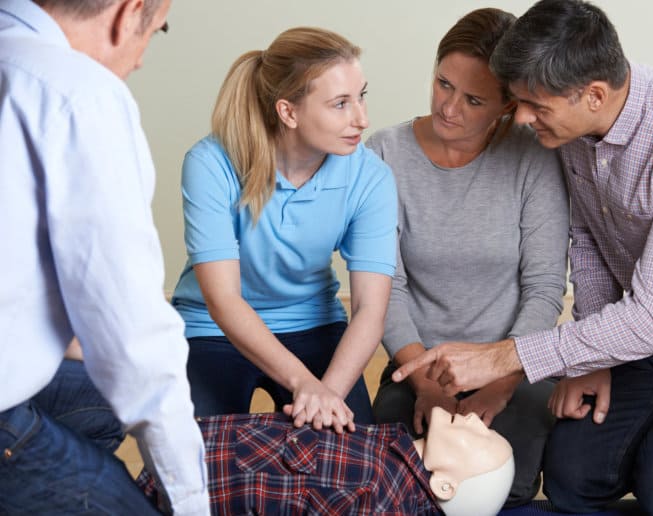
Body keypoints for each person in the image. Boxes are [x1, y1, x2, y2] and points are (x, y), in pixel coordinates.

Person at [393, 0, 653, 513]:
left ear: (594, 94)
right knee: (573, 482)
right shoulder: (575, 127)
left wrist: (502, 357)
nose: (524, 120)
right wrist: (590, 357)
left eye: (535, 106)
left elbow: (649, 318)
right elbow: (592, 239)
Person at [0, 0, 209, 514]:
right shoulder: (77, 93)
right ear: (128, 12)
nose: (139, 61)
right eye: (156, 32)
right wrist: (190, 501)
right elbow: (134, 340)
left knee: (101, 405)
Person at [366, 7, 568, 507]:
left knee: (506, 486)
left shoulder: (534, 156)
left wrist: (499, 383)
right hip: (419, 367)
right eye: (443, 84)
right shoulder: (384, 153)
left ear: (507, 106)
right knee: (405, 483)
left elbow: (544, 286)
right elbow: (385, 283)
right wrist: (424, 385)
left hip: (511, 366)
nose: (448, 108)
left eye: (473, 98)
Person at [170, 27, 397, 431]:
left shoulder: (371, 176)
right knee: (197, 463)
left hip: (313, 323)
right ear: (288, 112)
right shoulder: (210, 164)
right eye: (340, 104)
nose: (362, 118)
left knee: (351, 462)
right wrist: (303, 384)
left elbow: (369, 309)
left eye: (361, 95)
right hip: (210, 327)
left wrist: (328, 392)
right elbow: (224, 301)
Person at [137, 406, 514, 516]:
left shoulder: (382, 499)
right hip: (187, 447)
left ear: (444, 485)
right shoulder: (389, 451)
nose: (475, 422)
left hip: (177, 485)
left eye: (479, 439)